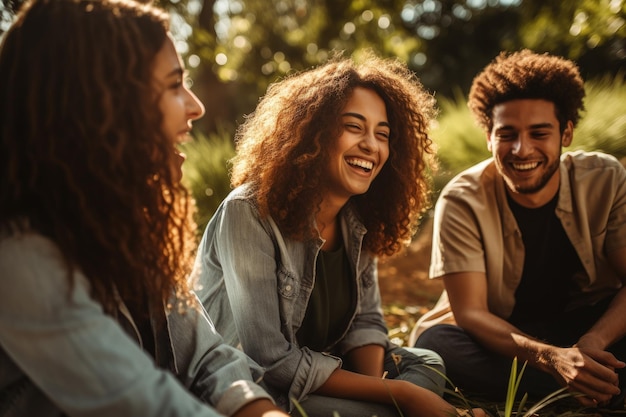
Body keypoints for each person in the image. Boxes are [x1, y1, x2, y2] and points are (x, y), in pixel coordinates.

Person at [0, 1, 291, 416]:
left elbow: (207, 358)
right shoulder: (17, 256)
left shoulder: (120, 229)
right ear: (100, 106)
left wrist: (261, 412)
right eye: (174, 86)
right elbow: (145, 403)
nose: (196, 106)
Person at [190, 53, 486, 417]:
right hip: (253, 388)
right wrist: (403, 397)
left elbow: (365, 322)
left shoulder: (358, 217)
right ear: (314, 133)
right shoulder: (249, 212)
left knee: (426, 363)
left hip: (318, 376)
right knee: (397, 401)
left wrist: (382, 389)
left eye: (382, 134)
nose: (371, 145)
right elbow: (269, 360)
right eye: (354, 127)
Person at [410, 49, 626, 409]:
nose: (521, 149)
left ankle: (583, 383)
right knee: (436, 345)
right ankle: (601, 389)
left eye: (539, 133)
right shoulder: (463, 199)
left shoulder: (605, 178)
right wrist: (552, 359)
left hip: (587, 325)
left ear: (566, 133)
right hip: (505, 339)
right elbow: (472, 314)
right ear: (489, 139)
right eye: (506, 134)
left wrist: (593, 342)